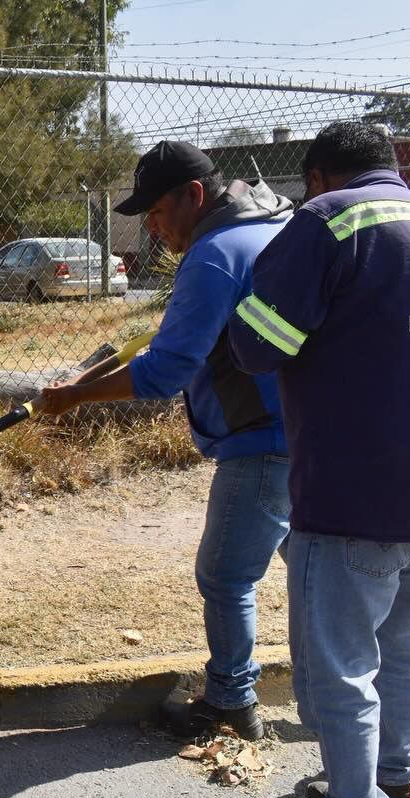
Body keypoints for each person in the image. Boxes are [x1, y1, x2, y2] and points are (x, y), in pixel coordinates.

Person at [228, 120, 410, 798]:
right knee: (405, 655)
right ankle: (393, 794)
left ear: (317, 176)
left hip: (354, 495)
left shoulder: (328, 221)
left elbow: (256, 345)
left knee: (339, 676)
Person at [37, 141, 292, 742]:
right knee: (314, 572)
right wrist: (89, 375)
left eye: (154, 212)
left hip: (262, 440)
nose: (150, 227)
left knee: (224, 576)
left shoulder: (212, 255)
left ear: (193, 196)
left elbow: (165, 371)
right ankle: (387, 683)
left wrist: (76, 396)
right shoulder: (272, 224)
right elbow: (181, 340)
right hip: (314, 430)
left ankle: (231, 701)